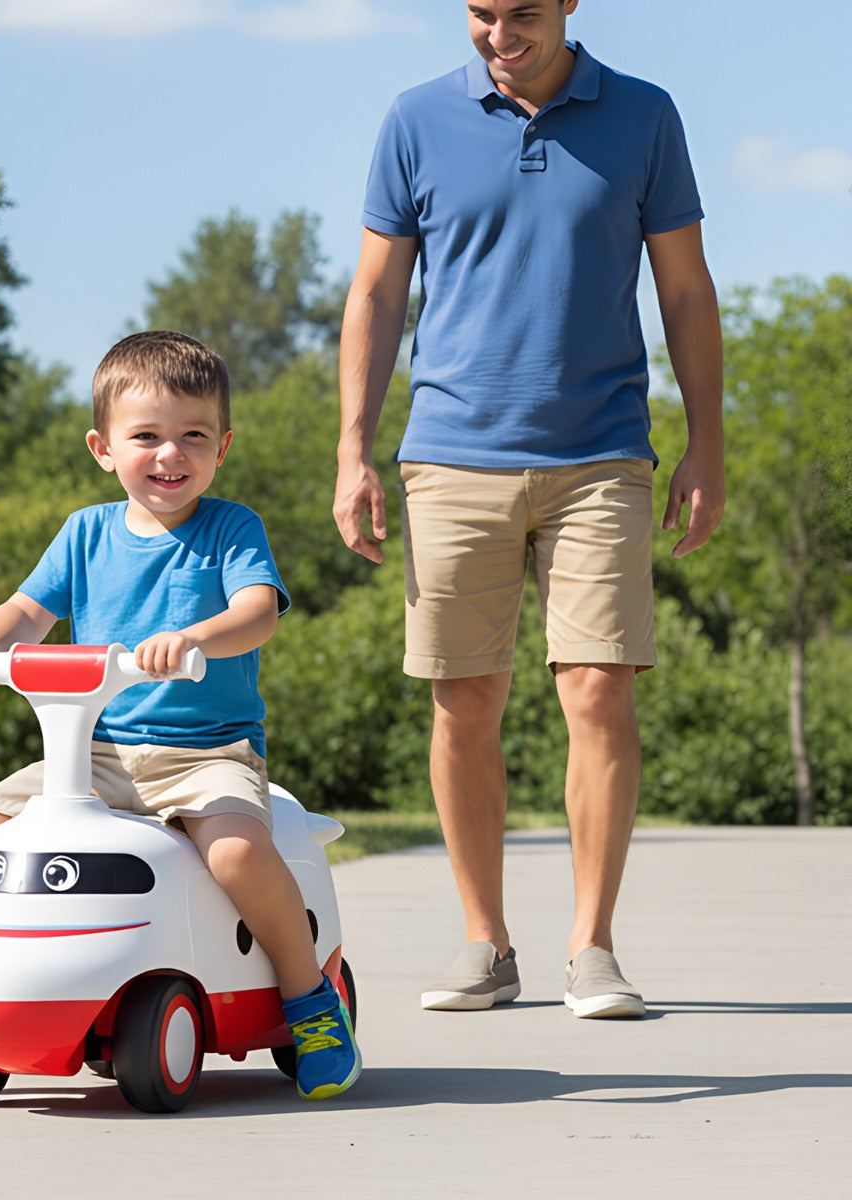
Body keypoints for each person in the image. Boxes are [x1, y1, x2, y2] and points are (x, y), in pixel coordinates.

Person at [334, 0, 723, 1018]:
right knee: (465, 700)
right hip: (452, 453)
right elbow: (376, 294)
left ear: (571, 5)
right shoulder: (415, 120)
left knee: (598, 689)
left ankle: (591, 947)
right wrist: (353, 449)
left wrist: (707, 444)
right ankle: (485, 943)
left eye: (523, 14)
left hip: (602, 453)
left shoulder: (644, 116)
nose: (499, 33)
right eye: (479, 12)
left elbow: (684, 290)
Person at [0, 330, 360, 1100]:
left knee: (238, 854)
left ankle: (309, 1000)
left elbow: (257, 612)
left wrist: (196, 638)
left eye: (193, 436)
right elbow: (28, 610)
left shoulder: (230, 529)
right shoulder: (84, 533)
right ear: (103, 447)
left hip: (207, 753)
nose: (168, 454)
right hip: (97, 753)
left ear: (222, 448)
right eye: (145, 435)